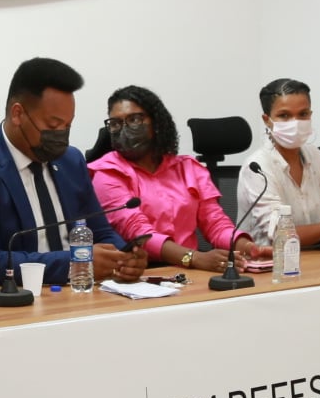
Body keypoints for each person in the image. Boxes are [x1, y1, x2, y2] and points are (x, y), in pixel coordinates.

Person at [0, 57, 147, 289]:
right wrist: (75, 263)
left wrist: (124, 258)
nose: (61, 135)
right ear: (18, 114)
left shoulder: (70, 161)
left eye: (67, 126)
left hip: (72, 292)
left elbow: (101, 233)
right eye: (53, 126)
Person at [89, 85, 271, 273]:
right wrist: (194, 258)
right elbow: (138, 233)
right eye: (115, 123)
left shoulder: (188, 167)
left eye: (134, 119)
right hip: (141, 273)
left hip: (191, 272)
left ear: (156, 123)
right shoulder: (106, 172)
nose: (124, 129)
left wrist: (249, 248)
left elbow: (215, 224)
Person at [237, 78, 320, 248]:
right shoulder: (257, 167)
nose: (295, 123)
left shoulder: (317, 156)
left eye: (303, 114)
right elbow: (282, 235)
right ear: (267, 120)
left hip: (317, 255)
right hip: (270, 260)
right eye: (284, 115)